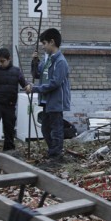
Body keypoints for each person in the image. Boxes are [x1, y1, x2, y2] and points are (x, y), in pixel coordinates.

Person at [26, 28, 70, 160]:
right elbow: (37, 74)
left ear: (52, 42)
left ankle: (56, 155)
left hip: (56, 101)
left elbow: (55, 83)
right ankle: (53, 151)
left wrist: (35, 88)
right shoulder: (48, 60)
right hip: (46, 101)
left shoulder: (60, 61)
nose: (43, 47)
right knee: (45, 129)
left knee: (56, 129)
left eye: (44, 43)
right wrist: (35, 62)